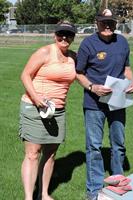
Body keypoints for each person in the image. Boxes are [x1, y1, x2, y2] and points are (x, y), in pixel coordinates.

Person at [76, 9, 133, 200]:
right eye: (104, 22)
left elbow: (127, 68)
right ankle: (94, 191)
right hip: (94, 103)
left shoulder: (122, 42)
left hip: (117, 102)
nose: (108, 25)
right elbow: (79, 73)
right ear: (97, 23)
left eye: (111, 22)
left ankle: (118, 185)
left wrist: (132, 82)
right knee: (94, 146)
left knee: (118, 145)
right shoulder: (88, 44)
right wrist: (93, 87)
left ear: (116, 23)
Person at [19, 21, 76, 200]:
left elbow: (84, 75)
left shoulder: (74, 56)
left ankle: (44, 194)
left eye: (69, 34)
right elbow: (25, 75)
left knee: (50, 154)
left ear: (74, 37)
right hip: (34, 107)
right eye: (61, 34)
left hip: (57, 111)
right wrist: (36, 98)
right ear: (55, 35)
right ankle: (29, 197)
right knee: (32, 153)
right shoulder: (44, 52)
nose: (64, 38)